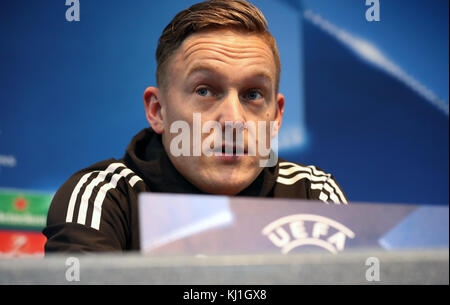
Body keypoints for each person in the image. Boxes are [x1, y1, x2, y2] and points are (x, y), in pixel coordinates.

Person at [43, 0, 348, 252]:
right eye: (205, 91)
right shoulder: (103, 197)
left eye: (253, 94)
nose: (233, 120)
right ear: (158, 110)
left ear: (276, 116)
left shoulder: (312, 194)